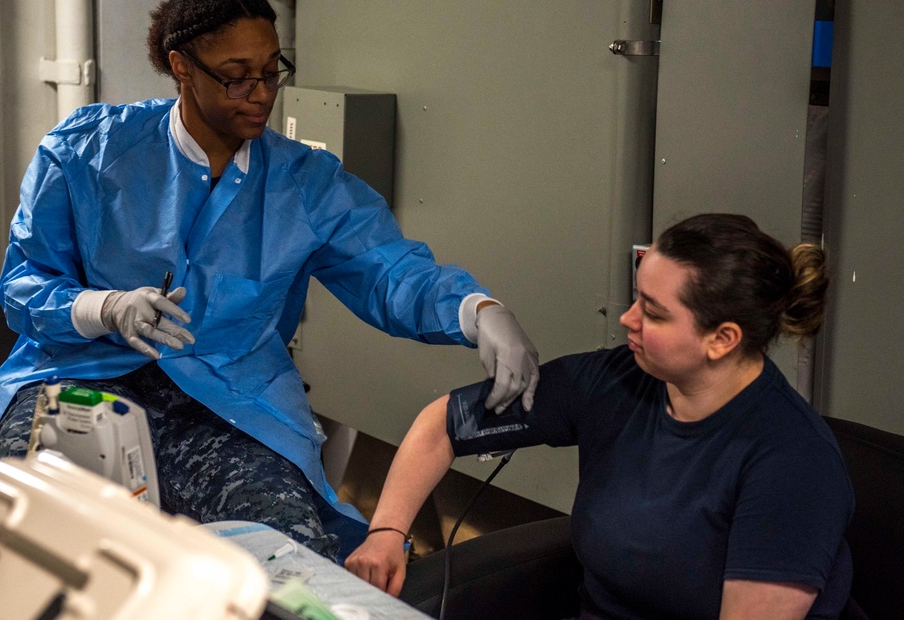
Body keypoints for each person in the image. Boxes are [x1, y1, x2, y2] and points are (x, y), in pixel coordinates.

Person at [0, 0, 539, 562]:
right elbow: (24, 285)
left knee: (288, 552)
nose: (260, 93)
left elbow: (388, 272)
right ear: (182, 67)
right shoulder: (86, 152)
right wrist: (104, 308)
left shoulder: (306, 182)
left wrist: (476, 311)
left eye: (271, 71)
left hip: (228, 402)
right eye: (235, 76)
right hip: (81, 382)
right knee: (13, 537)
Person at [345, 214, 854, 619]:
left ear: (722, 339)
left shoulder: (792, 461)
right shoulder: (615, 380)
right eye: (636, 298)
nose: (628, 319)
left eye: (653, 313)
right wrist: (387, 533)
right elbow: (442, 426)